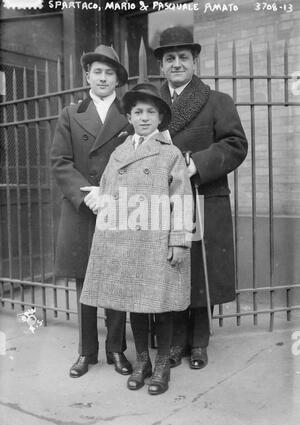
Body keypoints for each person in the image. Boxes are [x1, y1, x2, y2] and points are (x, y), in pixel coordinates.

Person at [80, 83, 193, 395]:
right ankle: (141, 360)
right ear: (128, 116)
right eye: (138, 112)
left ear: (160, 118)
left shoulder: (170, 154)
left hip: (157, 237)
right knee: (136, 305)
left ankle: (161, 367)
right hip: (124, 239)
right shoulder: (119, 153)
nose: (144, 118)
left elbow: (182, 199)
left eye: (151, 112)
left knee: (163, 304)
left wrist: (179, 241)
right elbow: (107, 193)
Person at [153, 26, 248, 370]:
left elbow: (236, 145)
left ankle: (199, 343)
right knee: (172, 267)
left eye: (183, 57)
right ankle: (176, 341)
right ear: (161, 66)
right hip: (162, 199)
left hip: (203, 195)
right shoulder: (151, 103)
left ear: (194, 61)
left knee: (199, 270)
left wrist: (198, 164)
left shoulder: (217, 101)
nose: (176, 64)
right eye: (169, 59)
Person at [51, 45, 133, 378]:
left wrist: (110, 194)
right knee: (84, 280)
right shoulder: (70, 113)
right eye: (97, 72)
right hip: (82, 207)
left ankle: (116, 349)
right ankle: (87, 352)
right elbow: (60, 161)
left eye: (109, 73)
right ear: (87, 76)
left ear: (117, 79)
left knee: (115, 277)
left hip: (116, 206)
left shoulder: (129, 113)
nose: (102, 78)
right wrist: (86, 193)